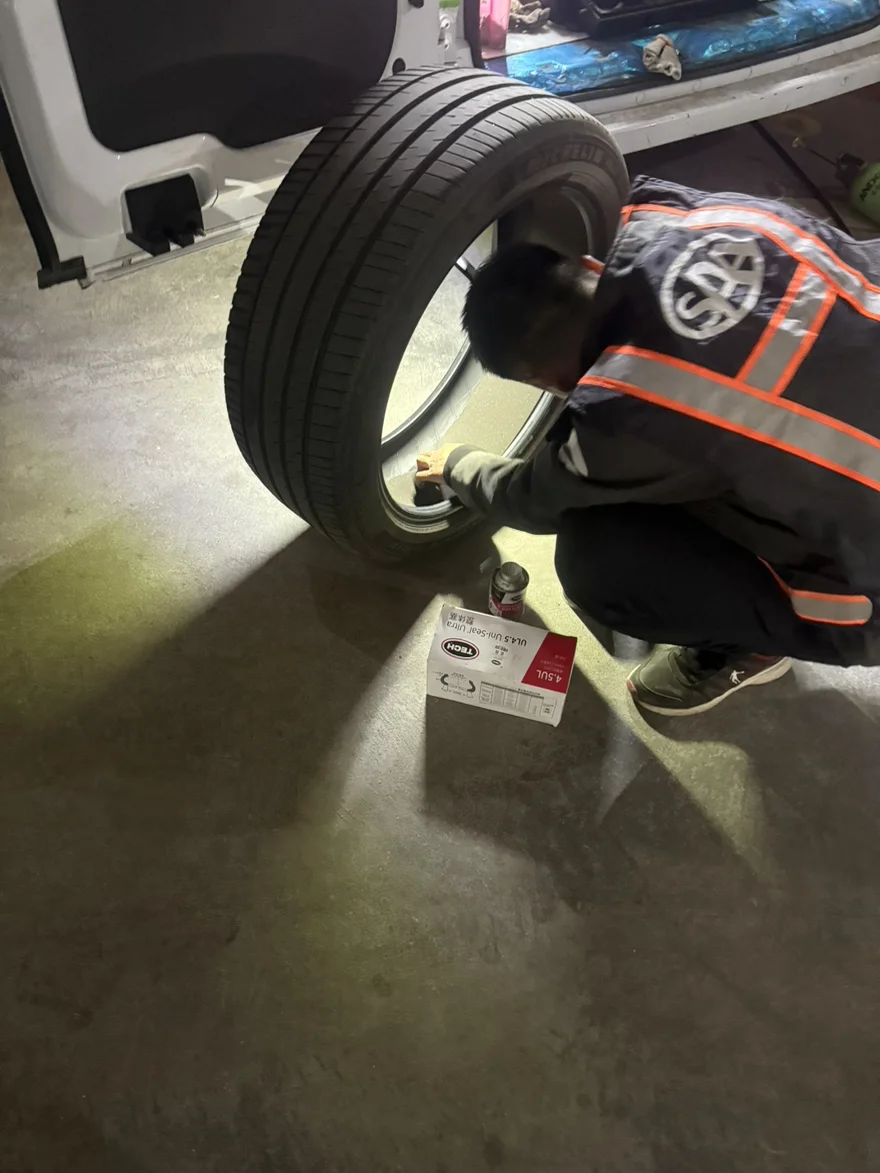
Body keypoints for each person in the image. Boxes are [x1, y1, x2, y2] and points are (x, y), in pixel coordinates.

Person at [416, 177, 880, 717]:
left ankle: (753, 646)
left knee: (598, 564)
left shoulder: (625, 414)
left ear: (550, 382)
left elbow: (531, 500)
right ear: (591, 265)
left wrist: (458, 464)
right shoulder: (708, 215)